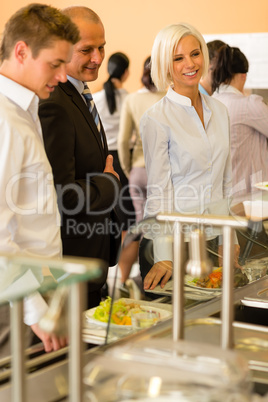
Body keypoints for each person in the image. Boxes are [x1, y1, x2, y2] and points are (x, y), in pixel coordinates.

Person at [0, 3, 80, 355]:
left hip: (37, 286)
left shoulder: (24, 110)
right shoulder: (4, 120)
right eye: (54, 64)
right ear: (21, 52)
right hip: (18, 298)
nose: (63, 77)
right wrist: (35, 310)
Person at [139, 23, 239, 291]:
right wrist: (163, 257)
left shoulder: (220, 110)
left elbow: (225, 179)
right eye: (178, 58)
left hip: (213, 235)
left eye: (195, 54)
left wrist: (230, 237)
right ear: (165, 65)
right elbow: (159, 191)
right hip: (174, 241)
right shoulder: (156, 118)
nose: (190, 64)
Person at [39, 6, 121, 309]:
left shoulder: (80, 94)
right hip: (71, 265)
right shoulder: (54, 102)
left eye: (101, 47)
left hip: (92, 256)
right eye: (87, 49)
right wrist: (109, 185)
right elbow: (62, 194)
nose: (98, 58)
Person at [117, 56, 166, 288]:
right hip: (164, 174)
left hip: (138, 171)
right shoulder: (171, 99)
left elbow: (123, 140)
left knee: (138, 227)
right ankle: (151, 280)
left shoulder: (132, 100)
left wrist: (129, 170)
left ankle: (123, 281)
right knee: (161, 229)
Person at [93, 53, 137, 291]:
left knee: (109, 219)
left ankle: (108, 279)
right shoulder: (129, 98)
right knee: (128, 222)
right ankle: (122, 279)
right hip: (124, 160)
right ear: (127, 72)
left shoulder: (96, 98)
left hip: (104, 162)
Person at [212, 45, 268, 196]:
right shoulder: (248, 105)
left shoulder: (209, 103)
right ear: (243, 75)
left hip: (221, 193)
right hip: (250, 194)